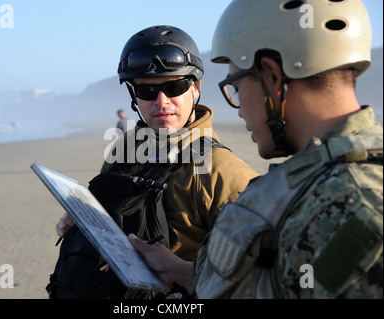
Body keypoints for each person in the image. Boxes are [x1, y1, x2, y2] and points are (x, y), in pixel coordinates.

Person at [129, 0, 383, 299]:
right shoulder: (319, 179)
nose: (238, 112)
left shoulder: (359, 211)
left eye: (235, 87)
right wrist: (183, 271)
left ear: (272, 77)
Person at [55, 25, 259, 297]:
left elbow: (254, 277)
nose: (161, 102)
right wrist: (81, 223)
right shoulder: (124, 150)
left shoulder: (223, 170)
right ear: (133, 96)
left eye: (174, 87)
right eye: (148, 92)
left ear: (196, 88)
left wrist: (180, 269)